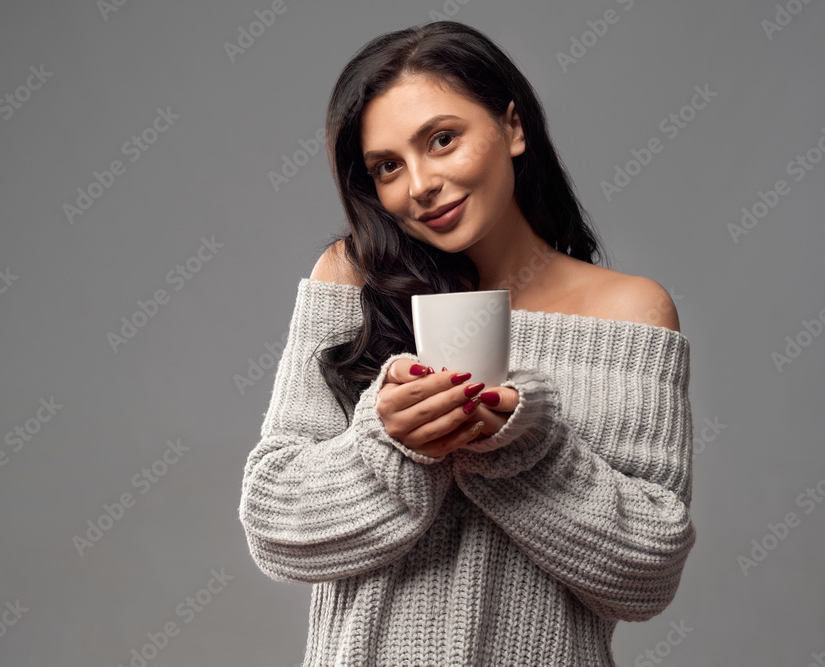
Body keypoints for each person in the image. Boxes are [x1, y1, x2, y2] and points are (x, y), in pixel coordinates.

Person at [239, 20, 695, 666]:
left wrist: (522, 444)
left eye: (442, 140)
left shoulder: (631, 311)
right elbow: (277, 530)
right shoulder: (351, 278)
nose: (419, 183)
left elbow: (648, 572)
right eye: (387, 167)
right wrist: (388, 443)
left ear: (512, 128)